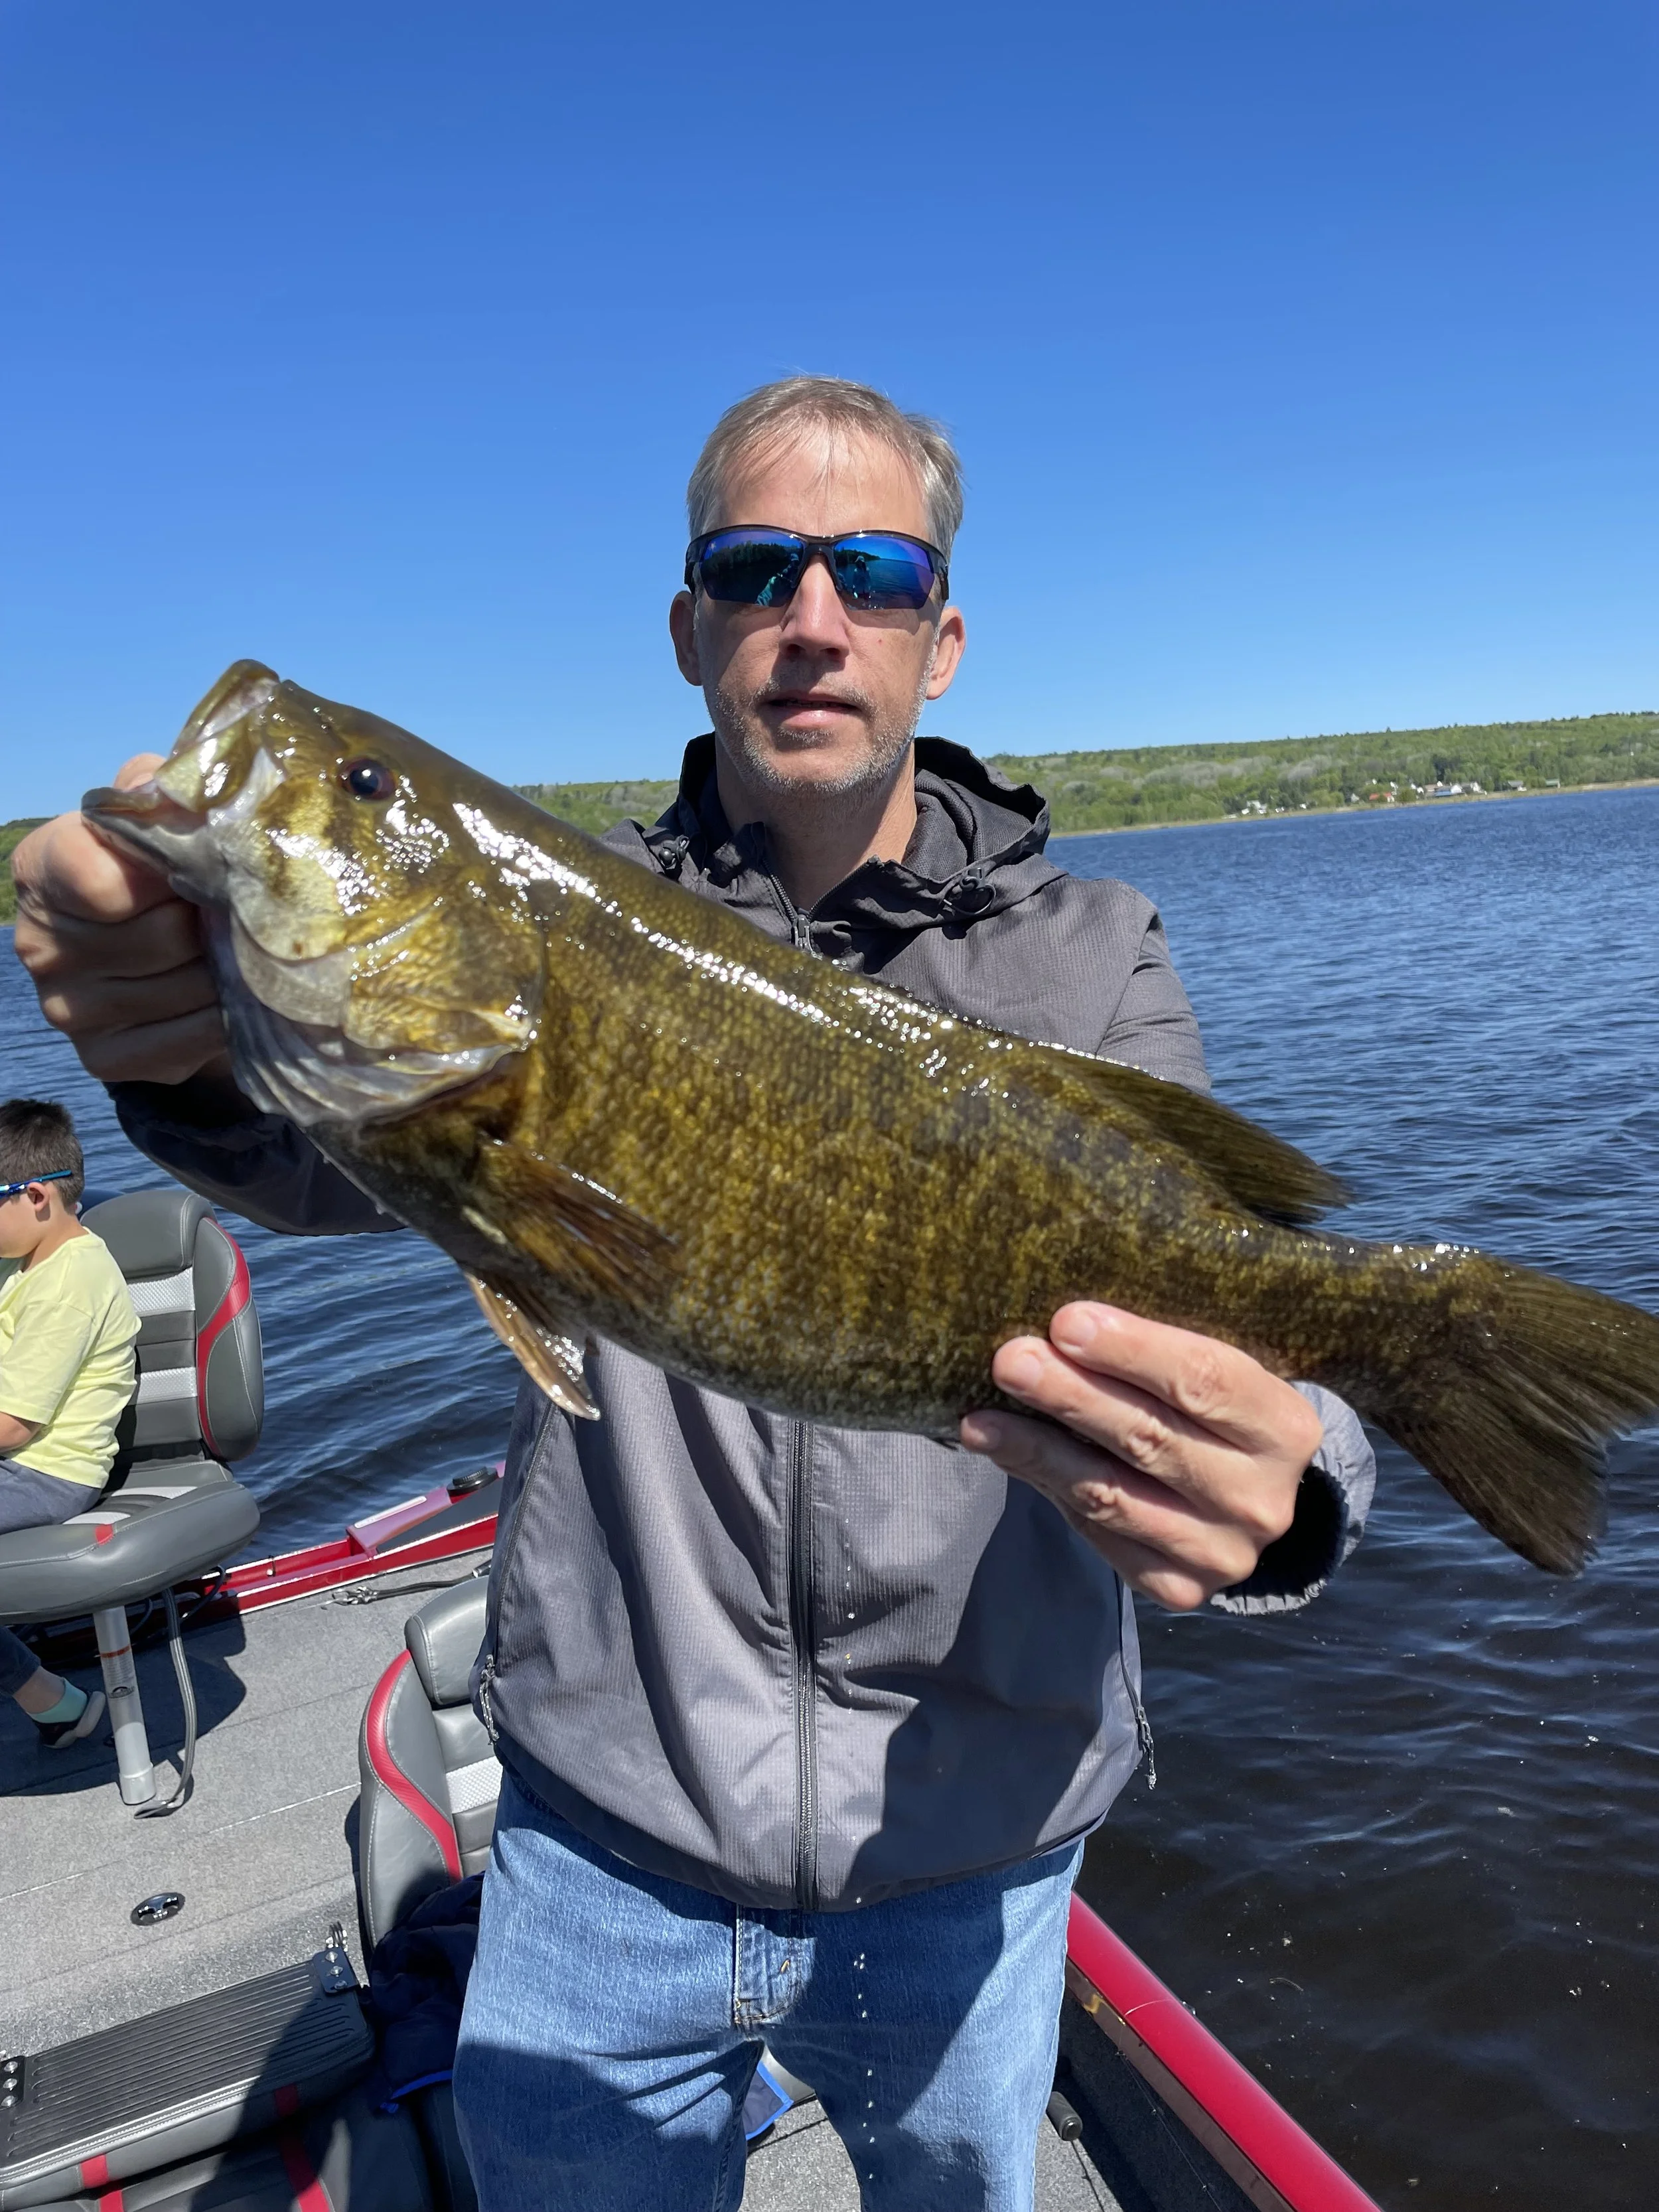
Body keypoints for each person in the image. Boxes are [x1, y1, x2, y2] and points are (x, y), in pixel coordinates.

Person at [12, 376, 1375, 2211]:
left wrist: (1303, 1486)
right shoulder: (550, 930)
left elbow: (1227, 1307)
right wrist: (173, 1047)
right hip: (601, 1844)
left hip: (971, 1848)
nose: (813, 615)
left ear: (939, 637)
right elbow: (302, 1148)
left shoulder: (1092, 953)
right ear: (690, 628)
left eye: (873, 570)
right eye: (756, 564)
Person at [0, 1097, 138, 1747]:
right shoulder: (29, 1261)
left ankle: (52, 1699)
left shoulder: (68, 1281)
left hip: (45, 1472)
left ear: (34, 1197)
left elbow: (14, 1425)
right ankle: (51, 1704)